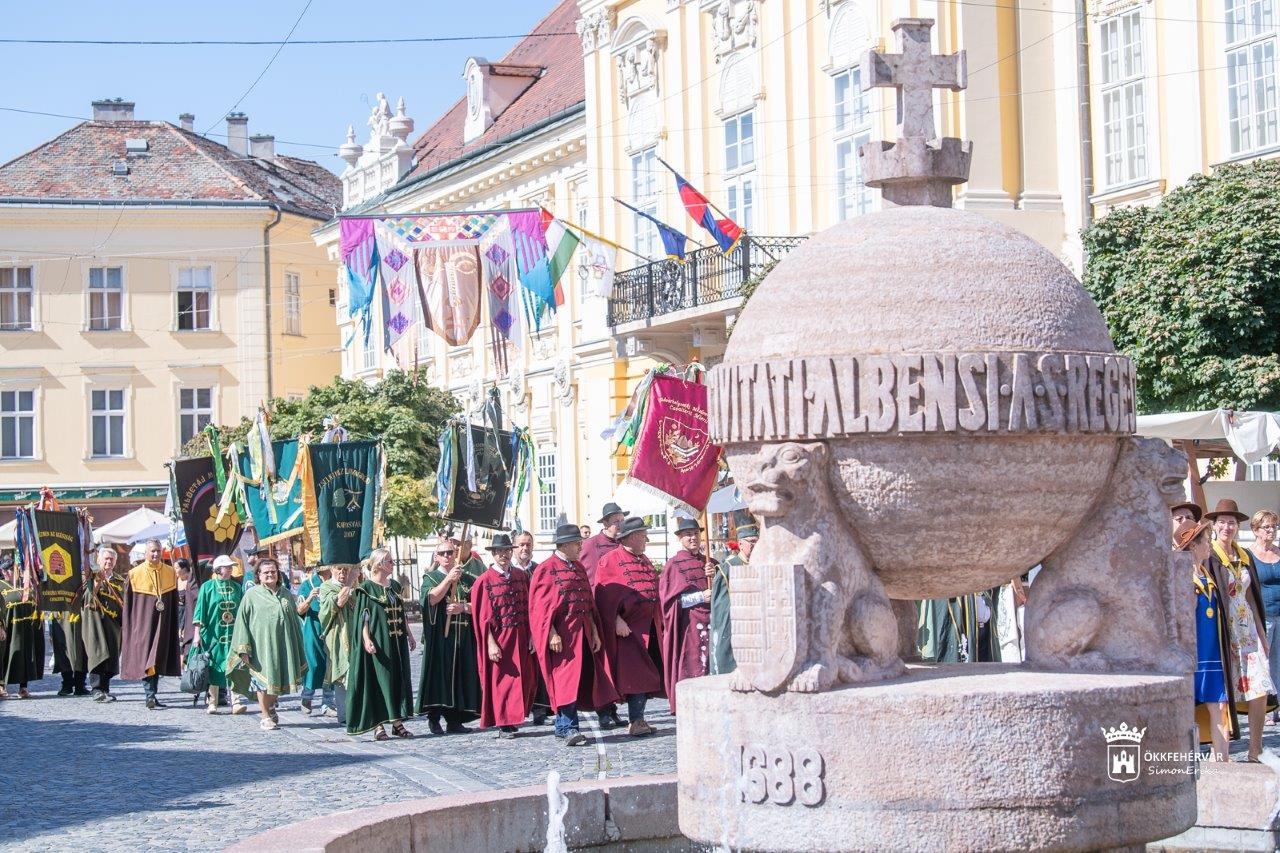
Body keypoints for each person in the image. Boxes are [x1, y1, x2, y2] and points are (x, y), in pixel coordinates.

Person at [529, 523, 618, 746]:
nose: (580, 546)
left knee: (579, 680)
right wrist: (551, 634)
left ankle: (562, 726)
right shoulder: (546, 569)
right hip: (562, 635)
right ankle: (569, 727)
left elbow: (587, 603)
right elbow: (540, 608)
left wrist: (595, 631)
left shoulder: (577, 567)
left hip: (583, 633)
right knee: (564, 680)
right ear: (565, 544)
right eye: (577, 543)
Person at [1205, 498, 1275, 762]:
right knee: (1223, 690)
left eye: (1232, 522)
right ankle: (1219, 750)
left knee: (1259, 687)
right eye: (1222, 522)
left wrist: (1262, 634)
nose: (1227, 526)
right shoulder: (1210, 556)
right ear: (1214, 526)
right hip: (1224, 631)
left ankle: (1254, 751)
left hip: (1247, 632)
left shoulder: (1244, 556)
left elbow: (1251, 598)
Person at [593, 516, 662, 737]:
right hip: (628, 629)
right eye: (643, 536)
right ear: (631, 537)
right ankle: (636, 721)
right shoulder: (610, 560)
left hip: (647, 627)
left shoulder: (644, 559)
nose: (647, 540)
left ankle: (638, 719)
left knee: (643, 675)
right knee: (636, 675)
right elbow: (603, 595)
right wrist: (615, 620)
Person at [227, 557, 307, 732]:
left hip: (282, 644)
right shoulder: (252, 595)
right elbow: (242, 622)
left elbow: (294, 619)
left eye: (273, 571)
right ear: (258, 575)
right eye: (266, 572)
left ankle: (271, 707)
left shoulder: (286, 593)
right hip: (260, 646)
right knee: (262, 680)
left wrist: (296, 645)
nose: (270, 575)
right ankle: (264, 716)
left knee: (277, 677)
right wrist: (243, 649)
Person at [347, 548, 417, 740]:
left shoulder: (394, 585)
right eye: (389, 562)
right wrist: (366, 639)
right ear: (379, 565)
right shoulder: (366, 588)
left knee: (396, 679)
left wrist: (410, 635)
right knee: (380, 680)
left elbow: (401, 613)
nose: (392, 565)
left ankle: (396, 722)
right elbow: (364, 618)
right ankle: (378, 725)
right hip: (379, 640)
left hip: (397, 641)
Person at [1177, 518, 1232, 760]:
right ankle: (1184, 760)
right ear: (1192, 546)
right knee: (1186, 709)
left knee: (1219, 705)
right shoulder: (1181, 577)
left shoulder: (1206, 572)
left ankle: (1223, 761)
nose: (1209, 545)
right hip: (1192, 652)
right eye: (1205, 541)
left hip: (1212, 651)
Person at [470, 533, 535, 739]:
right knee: (502, 681)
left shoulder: (520, 576)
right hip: (500, 637)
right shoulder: (484, 581)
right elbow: (483, 617)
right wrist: (490, 643)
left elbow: (529, 608)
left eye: (507, 551)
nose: (503, 555)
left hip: (521, 635)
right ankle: (504, 723)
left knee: (522, 679)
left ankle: (514, 718)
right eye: (499, 551)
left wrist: (532, 635)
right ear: (493, 554)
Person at [417, 535, 482, 734]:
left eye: (450, 553)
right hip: (441, 639)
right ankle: (434, 717)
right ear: (436, 557)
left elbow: (480, 603)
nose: (447, 556)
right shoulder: (431, 578)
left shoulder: (466, 577)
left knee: (459, 677)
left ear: (455, 555)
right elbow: (431, 599)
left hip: (462, 636)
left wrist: (462, 607)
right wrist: (448, 580)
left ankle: (455, 720)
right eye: (442, 553)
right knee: (440, 677)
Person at [659, 516, 716, 715]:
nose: (693, 538)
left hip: (713, 622)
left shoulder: (709, 562)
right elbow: (671, 601)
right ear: (680, 538)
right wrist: (701, 596)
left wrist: (716, 574)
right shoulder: (674, 565)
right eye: (688, 534)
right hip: (689, 625)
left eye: (695, 534)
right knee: (691, 662)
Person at [120, 539, 181, 710]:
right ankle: (149, 694)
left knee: (158, 657)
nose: (155, 554)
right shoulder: (135, 574)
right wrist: (131, 628)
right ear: (146, 553)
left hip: (163, 622)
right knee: (147, 657)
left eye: (158, 551)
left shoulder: (170, 573)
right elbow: (129, 605)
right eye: (152, 551)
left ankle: (153, 693)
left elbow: (174, 601)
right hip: (144, 622)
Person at [192, 555, 246, 715]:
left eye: (231, 567)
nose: (229, 569)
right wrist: (197, 634)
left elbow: (242, 611)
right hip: (212, 635)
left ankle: (236, 702)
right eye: (226, 567)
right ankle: (212, 702)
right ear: (218, 569)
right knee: (214, 668)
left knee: (234, 666)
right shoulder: (207, 587)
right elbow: (200, 612)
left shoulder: (236, 587)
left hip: (232, 634)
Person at [512, 530, 550, 726]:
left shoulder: (540, 569)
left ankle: (540, 710)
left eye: (528, 544)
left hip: (538, 627)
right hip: (516, 627)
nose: (525, 548)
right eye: (521, 545)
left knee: (540, 671)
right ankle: (516, 712)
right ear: (513, 547)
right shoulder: (507, 571)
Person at [712, 521, 758, 675]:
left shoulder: (762, 564)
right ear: (740, 543)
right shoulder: (728, 568)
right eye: (751, 542)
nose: (755, 545)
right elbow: (722, 609)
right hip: (738, 625)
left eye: (758, 541)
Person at [1247, 509, 1280, 724]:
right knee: (1264, 664)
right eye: (1266, 527)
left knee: (1279, 664)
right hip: (1262, 616)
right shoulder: (1249, 555)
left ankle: (1277, 708)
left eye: (1274, 526)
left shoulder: (1279, 552)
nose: (1271, 530)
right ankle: (1266, 708)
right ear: (1256, 530)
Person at [83, 546, 125, 703]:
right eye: (105, 558)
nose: (108, 561)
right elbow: (89, 596)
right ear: (98, 560)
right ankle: (96, 689)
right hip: (96, 623)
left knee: (111, 657)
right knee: (98, 654)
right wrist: (98, 579)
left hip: (114, 625)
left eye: (111, 559)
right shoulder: (90, 577)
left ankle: (105, 689)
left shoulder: (120, 580)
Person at [319, 563, 357, 724]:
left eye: (346, 570)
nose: (343, 573)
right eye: (339, 569)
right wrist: (349, 584)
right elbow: (338, 602)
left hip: (355, 635)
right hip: (338, 638)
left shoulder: (355, 587)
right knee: (342, 672)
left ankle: (359, 712)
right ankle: (346, 714)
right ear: (332, 570)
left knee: (356, 673)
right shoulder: (326, 587)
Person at [296, 564, 336, 716]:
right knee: (312, 664)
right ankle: (307, 696)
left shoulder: (335, 583)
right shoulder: (308, 585)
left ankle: (328, 702)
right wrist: (309, 598)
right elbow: (299, 610)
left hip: (331, 629)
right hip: (312, 629)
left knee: (330, 664)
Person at [2, 559, 42, 699]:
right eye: (12, 570)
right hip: (7, 627)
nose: (15, 573)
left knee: (25, 656)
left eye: (17, 570)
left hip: (25, 628)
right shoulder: (1, 586)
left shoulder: (25, 585)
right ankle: (2, 686)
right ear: (4, 571)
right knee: (6, 655)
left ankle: (23, 687)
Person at [581, 503, 626, 584]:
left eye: (622, 521)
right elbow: (588, 577)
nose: (621, 524)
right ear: (605, 523)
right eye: (616, 521)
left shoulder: (625, 543)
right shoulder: (590, 544)